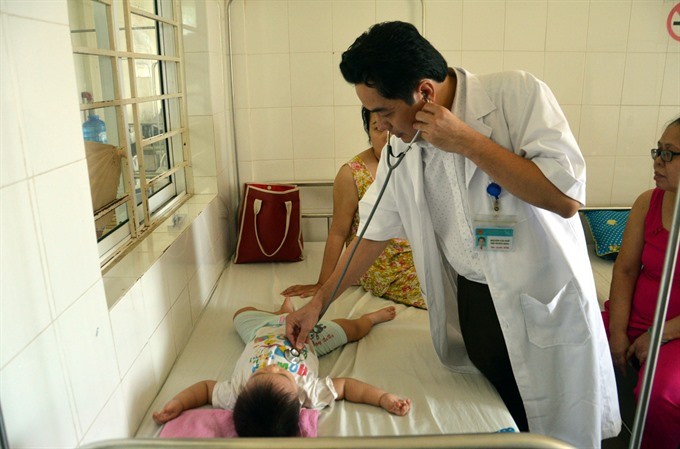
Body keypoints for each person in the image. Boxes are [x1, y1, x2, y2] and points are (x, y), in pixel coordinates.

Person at [285, 21, 620, 448]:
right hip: (475, 304)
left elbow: (565, 199)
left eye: (385, 112)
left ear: (424, 92)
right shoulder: (402, 148)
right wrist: (318, 303)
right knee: (499, 422)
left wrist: (468, 142)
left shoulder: (517, 96)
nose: (382, 127)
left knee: (553, 432)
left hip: (540, 300)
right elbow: (370, 234)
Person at [153, 298, 411, 437]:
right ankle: (368, 319)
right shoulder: (309, 392)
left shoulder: (235, 393)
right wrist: (383, 397)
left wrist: (179, 402)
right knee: (353, 330)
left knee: (240, 313)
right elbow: (348, 387)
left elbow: (205, 389)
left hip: (260, 332)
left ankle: (282, 311)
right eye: (280, 375)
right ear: (298, 401)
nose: (271, 367)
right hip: (308, 337)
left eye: (260, 374)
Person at [282, 108, 425, 309]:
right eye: (377, 129)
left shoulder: (412, 161)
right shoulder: (352, 174)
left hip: (416, 254)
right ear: (368, 132)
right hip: (378, 263)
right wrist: (323, 285)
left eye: (392, 128)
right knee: (439, 294)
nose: (387, 137)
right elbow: (338, 233)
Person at [601, 117, 680, 449]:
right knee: (568, 344)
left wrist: (659, 335)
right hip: (632, 314)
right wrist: (618, 332)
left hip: (675, 331)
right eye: (657, 150)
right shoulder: (649, 201)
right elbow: (626, 270)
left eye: (670, 154)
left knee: (660, 396)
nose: (657, 161)